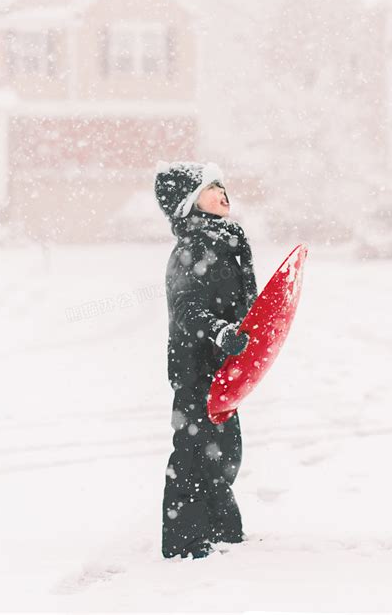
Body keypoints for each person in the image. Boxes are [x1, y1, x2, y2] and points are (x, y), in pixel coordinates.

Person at [154, 160, 258, 560]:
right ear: (188, 202)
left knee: (225, 449)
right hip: (197, 364)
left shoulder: (225, 239)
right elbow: (186, 308)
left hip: (223, 365)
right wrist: (218, 332)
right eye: (211, 187)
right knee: (194, 451)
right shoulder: (194, 247)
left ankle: (222, 528)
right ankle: (184, 541)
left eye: (222, 184)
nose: (223, 191)